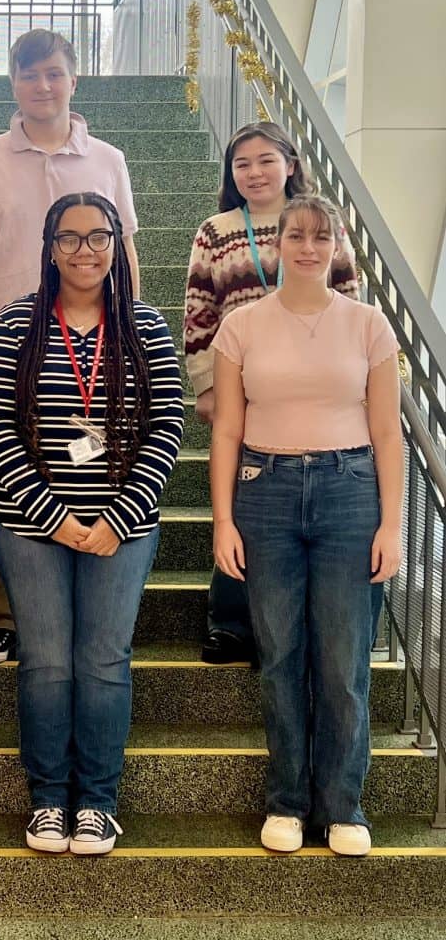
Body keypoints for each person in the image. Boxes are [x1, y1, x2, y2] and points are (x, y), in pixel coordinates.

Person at [0, 192, 183, 856]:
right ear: (48, 247)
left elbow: (166, 429)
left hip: (122, 529)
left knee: (101, 662)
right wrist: (54, 517)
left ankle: (95, 802)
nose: (84, 251)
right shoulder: (16, 324)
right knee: (44, 664)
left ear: (117, 245)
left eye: (98, 237)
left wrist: (117, 519)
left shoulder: (146, 326)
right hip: (32, 527)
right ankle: (46, 801)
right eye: (68, 238)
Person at [210, 195, 402, 857]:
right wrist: (222, 522)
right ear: (275, 242)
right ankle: (287, 803)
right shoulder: (240, 326)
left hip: (350, 494)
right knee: (280, 659)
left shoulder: (369, 325)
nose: (307, 247)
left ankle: (343, 806)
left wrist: (391, 526)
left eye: (320, 237)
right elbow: (228, 428)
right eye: (295, 234)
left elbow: (385, 432)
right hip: (263, 493)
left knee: (344, 663)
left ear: (335, 245)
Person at [0, 28, 142, 665]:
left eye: (54, 73)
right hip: (5, 356)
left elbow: (126, 251)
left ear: (73, 79)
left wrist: (134, 335)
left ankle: (89, 609)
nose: (42, 85)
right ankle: (3, 618)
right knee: (7, 489)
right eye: (29, 75)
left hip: (98, 355)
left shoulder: (109, 159)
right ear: (14, 83)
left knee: (98, 476)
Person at [183, 122, 361, 665]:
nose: (254, 172)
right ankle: (232, 621)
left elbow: (350, 295)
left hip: (311, 389)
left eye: (265, 160)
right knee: (240, 503)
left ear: (290, 163)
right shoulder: (216, 230)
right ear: (230, 174)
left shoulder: (319, 223)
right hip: (242, 387)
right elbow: (198, 311)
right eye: (242, 164)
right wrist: (207, 385)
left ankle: (290, 624)